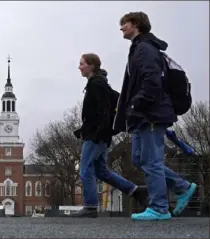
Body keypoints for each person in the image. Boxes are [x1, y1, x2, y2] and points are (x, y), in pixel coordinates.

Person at [114, 11, 197, 220]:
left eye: (124, 24)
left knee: (151, 160)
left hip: (151, 113)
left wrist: (136, 103)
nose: (121, 28)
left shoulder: (145, 48)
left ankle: (159, 207)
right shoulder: (139, 48)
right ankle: (182, 186)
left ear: (136, 24)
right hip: (143, 114)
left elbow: (152, 81)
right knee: (140, 159)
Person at [71, 53, 148, 218]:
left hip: (96, 137)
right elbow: (115, 103)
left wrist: (99, 131)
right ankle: (135, 190)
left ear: (91, 66)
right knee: (102, 171)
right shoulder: (100, 83)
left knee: (85, 170)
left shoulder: (96, 85)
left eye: (82, 63)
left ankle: (90, 207)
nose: (79, 67)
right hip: (100, 135)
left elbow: (103, 112)